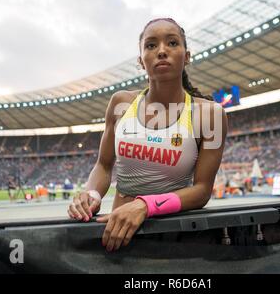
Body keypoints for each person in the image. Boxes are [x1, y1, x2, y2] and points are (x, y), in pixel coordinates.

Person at [67, 18, 228, 252]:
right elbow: (103, 165)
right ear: (141, 61)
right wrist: (91, 194)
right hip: (118, 235)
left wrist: (145, 206)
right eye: (151, 45)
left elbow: (202, 190)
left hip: (175, 238)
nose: (162, 51)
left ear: (187, 56)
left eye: (172, 43)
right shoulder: (121, 103)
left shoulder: (210, 114)